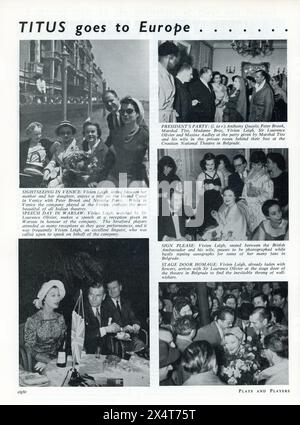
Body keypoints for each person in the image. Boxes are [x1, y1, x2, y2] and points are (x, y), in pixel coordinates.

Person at [24, 280, 67, 372]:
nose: (57, 299)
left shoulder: (60, 318)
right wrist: (46, 361)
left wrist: (54, 361)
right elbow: (29, 348)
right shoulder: (33, 320)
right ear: (44, 298)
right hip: (36, 361)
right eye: (53, 295)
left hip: (55, 359)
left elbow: (61, 344)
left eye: (58, 295)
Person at [108, 96, 149, 187]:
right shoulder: (115, 133)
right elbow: (109, 159)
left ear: (137, 113)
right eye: (122, 112)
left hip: (136, 178)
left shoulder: (145, 135)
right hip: (116, 177)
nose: (125, 114)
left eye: (129, 111)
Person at [101, 279, 145, 354]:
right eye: (109, 289)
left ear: (120, 288)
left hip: (129, 338)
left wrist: (136, 325)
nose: (111, 291)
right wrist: (122, 330)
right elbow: (104, 326)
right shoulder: (104, 305)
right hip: (113, 341)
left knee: (141, 346)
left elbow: (134, 318)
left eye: (114, 288)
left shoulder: (126, 302)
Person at [241, 151, 274, 234]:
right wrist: (244, 198)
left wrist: (255, 198)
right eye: (253, 164)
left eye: (258, 164)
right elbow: (245, 189)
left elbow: (268, 195)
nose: (255, 167)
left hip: (259, 206)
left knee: (258, 230)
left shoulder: (265, 177)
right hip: (248, 205)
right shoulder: (250, 173)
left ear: (263, 163)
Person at [83, 283, 120, 354]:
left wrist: (120, 331)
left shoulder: (107, 309)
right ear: (88, 295)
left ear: (103, 297)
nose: (94, 299)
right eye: (91, 295)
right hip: (87, 354)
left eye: (98, 295)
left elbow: (116, 325)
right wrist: (105, 329)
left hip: (105, 353)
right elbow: (84, 336)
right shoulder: (80, 310)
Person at [43, 120, 79, 187]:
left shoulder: (76, 147)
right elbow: (53, 161)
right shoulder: (58, 147)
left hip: (72, 177)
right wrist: (47, 171)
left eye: (68, 133)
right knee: (51, 185)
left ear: (72, 134)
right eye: (62, 133)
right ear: (59, 135)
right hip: (59, 174)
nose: (66, 135)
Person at [80, 121, 115, 187]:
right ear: (84, 135)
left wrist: (93, 180)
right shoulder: (85, 145)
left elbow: (106, 171)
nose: (90, 134)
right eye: (87, 132)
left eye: (93, 132)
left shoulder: (105, 150)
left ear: (98, 134)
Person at [197, 153, 224, 233]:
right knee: (208, 228)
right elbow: (198, 194)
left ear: (215, 163)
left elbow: (224, 190)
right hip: (206, 204)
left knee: (220, 226)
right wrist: (204, 189)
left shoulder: (219, 173)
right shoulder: (201, 176)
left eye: (212, 164)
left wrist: (219, 188)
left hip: (219, 202)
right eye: (208, 164)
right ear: (204, 165)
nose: (210, 166)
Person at [20, 122, 53, 188]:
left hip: (40, 174)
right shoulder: (23, 145)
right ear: (30, 134)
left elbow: (56, 145)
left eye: (40, 134)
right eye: (36, 134)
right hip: (25, 174)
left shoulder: (45, 143)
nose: (39, 136)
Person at [158, 41, 179, 122]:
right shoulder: (156, 73)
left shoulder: (170, 76)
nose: (176, 63)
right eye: (175, 60)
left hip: (169, 117)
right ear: (170, 57)